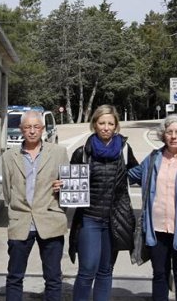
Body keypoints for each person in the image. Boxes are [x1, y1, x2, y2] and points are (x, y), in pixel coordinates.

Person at [68, 104, 139, 301]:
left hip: (114, 219)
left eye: (110, 123)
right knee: (87, 269)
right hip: (89, 219)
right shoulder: (82, 153)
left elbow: (137, 173)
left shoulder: (124, 150)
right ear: (94, 125)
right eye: (101, 123)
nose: (106, 127)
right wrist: (61, 185)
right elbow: (69, 185)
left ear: (116, 126)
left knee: (106, 270)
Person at [1, 111, 69, 301]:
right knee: (15, 276)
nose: (32, 131)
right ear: (21, 130)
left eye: (36, 127)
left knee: (53, 277)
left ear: (43, 129)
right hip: (20, 221)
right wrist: (15, 211)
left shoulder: (58, 152)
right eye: (27, 127)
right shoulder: (9, 156)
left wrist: (62, 187)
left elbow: (68, 188)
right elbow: (8, 191)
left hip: (50, 220)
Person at [129, 114, 177, 301]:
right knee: (159, 274)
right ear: (163, 135)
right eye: (169, 132)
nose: (173, 136)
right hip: (156, 227)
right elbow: (130, 175)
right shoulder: (153, 158)